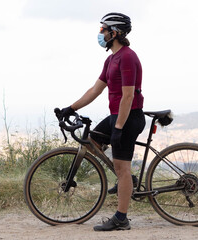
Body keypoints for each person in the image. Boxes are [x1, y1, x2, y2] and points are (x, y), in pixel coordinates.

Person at [60, 12, 145, 231]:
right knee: (92, 142)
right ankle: (126, 180)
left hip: (128, 117)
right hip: (118, 116)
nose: (100, 34)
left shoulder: (127, 57)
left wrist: (118, 127)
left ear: (114, 33)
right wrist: (70, 108)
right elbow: (95, 90)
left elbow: (128, 96)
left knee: (121, 167)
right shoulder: (111, 59)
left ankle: (121, 218)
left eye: (103, 30)